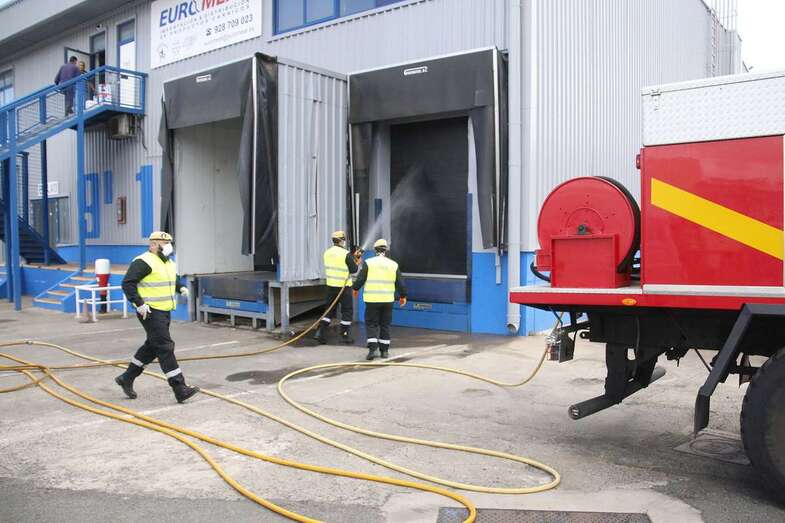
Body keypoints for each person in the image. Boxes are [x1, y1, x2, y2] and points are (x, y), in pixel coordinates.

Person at [115, 231, 199, 403]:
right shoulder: (143, 261)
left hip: (165, 310)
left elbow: (171, 280)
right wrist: (139, 303)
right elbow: (127, 283)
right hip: (149, 311)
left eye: (169, 243)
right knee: (165, 346)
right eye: (164, 242)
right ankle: (179, 388)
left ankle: (126, 378)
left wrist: (180, 287)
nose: (168, 246)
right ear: (153, 244)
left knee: (152, 346)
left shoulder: (169, 262)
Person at [353, 239, 407, 360]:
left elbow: (361, 279)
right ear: (386, 250)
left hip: (372, 300)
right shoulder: (393, 264)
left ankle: (372, 350)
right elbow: (400, 283)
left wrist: (355, 288)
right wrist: (403, 296)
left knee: (371, 324)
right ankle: (384, 351)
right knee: (385, 325)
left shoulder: (369, 263)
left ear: (375, 250)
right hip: (387, 300)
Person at [314, 230, 362, 344]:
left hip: (331, 286)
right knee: (347, 311)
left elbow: (339, 265)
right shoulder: (345, 254)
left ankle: (320, 332)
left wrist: (352, 258)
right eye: (344, 240)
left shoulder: (327, 252)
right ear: (341, 241)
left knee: (329, 310)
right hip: (344, 288)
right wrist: (357, 261)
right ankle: (344, 335)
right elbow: (353, 270)